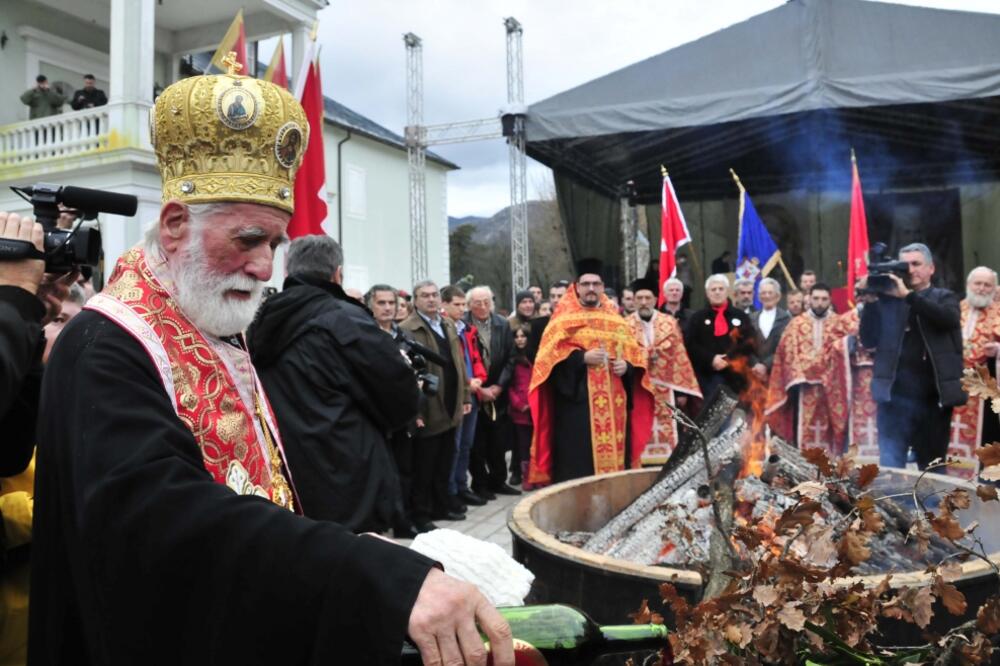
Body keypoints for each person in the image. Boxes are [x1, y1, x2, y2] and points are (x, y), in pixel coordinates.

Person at [29, 66, 511, 666]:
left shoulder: (214, 324)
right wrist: (363, 573)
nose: (263, 267)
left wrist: (337, 544)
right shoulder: (105, 342)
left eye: (274, 246)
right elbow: (161, 519)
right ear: (176, 224)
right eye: (247, 239)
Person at [248, 235, 419, 533]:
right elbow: (399, 392)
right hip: (349, 468)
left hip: (290, 463)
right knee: (354, 563)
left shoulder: (261, 317)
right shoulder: (346, 320)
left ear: (288, 271)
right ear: (336, 273)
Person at [527, 259, 651, 485]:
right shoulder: (561, 321)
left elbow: (635, 356)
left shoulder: (617, 321)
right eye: (586, 284)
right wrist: (581, 358)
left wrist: (628, 368)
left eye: (596, 284)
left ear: (602, 287)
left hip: (614, 407)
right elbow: (547, 363)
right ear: (576, 287)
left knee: (614, 470)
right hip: (576, 407)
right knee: (578, 463)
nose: (591, 288)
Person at [859, 242, 966, 470]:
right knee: (891, 466)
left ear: (931, 269)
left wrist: (908, 296)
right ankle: (894, 506)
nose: (911, 270)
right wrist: (870, 305)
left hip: (932, 398)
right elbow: (869, 340)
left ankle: (933, 507)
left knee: (932, 467)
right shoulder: (887, 301)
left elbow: (947, 319)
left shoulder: (944, 297)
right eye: (905, 265)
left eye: (916, 264)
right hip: (893, 397)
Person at [400, 280, 472, 530]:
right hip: (429, 404)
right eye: (424, 296)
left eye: (434, 295)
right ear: (415, 300)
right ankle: (421, 512)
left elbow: (459, 364)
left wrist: (465, 396)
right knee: (424, 465)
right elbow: (407, 373)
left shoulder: (447, 324)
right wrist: (416, 410)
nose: (431, 299)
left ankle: (441, 504)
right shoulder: (407, 328)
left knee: (445, 460)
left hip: (451, 402)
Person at [365, 283, 423, 537]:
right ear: (370, 305)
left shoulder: (403, 336)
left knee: (406, 471)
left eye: (392, 303)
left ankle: (402, 520)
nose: (388, 308)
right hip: (374, 418)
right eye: (382, 303)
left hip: (403, 417)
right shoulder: (365, 335)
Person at [764, 284, 847, 455]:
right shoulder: (796, 324)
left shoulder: (839, 323)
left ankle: (831, 469)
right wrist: (801, 373)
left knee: (832, 427)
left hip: (831, 388)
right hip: (802, 387)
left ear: (830, 300)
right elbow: (785, 352)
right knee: (803, 428)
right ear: (809, 299)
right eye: (815, 298)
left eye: (824, 299)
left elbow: (845, 352)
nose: (819, 303)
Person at [626, 278, 701, 465]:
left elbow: (680, 356)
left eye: (647, 298)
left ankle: (671, 465)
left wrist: (682, 391)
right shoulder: (624, 325)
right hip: (639, 387)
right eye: (639, 298)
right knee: (641, 427)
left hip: (667, 388)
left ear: (655, 299)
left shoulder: (668, 323)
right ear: (634, 301)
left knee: (670, 429)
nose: (643, 302)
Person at [945, 267, 1000, 479]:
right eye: (977, 283)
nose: (982, 288)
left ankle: (986, 479)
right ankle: (951, 476)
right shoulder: (956, 309)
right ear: (969, 286)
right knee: (951, 430)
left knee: (987, 436)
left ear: (994, 288)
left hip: (987, 389)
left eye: (987, 284)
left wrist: (997, 350)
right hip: (955, 384)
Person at [464, 286, 519, 493]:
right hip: (473, 390)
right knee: (476, 441)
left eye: (487, 301)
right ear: (469, 305)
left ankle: (498, 480)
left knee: (498, 440)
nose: (483, 306)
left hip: (497, 390)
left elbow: (511, 358)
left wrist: (498, 386)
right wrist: (479, 390)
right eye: (477, 302)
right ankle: (480, 483)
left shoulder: (502, 324)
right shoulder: (462, 325)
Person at [441, 285, 488, 509]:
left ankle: (461, 485)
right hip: (457, 394)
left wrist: (478, 378)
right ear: (445, 304)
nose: (461, 309)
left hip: (472, 393)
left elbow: (475, 357)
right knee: (455, 446)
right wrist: (465, 384)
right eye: (456, 305)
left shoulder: (467, 329)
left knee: (467, 444)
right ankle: (449, 489)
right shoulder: (443, 328)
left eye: (463, 305)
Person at [684, 274, 759, 398]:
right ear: (707, 293)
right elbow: (691, 345)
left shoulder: (740, 316)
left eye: (721, 289)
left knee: (737, 415)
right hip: (707, 376)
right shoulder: (697, 318)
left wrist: (728, 358)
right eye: (713, 290)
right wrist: (711, 359)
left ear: (727, 291)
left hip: (737, 376)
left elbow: (749, 342)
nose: (717, 292)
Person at [507, 325, 534, 488]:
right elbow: (509, 386)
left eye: (523, 336)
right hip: (520, 411)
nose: (520, 339)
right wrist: (519, 404)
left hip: (535, 408)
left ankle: (536, 474)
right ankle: (526, 476)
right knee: (522, 445)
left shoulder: (534, 357)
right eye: (516, 336)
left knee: (535, 443)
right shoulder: (511, 359)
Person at [751, 277, 792, 381]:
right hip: (754, 374)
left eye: (770, 293)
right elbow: (746, 345)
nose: (767, 296)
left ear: (778, 296)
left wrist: (765, 365)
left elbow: (787, 347)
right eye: (763, 293)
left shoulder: (786, 319)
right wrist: (756, 364)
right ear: (759, 297)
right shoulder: (751, 318)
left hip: (779, 374)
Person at [527, 279, 569, 360]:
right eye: (552, 296)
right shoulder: (538, 324)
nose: (555, 300)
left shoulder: (577, 321)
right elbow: (531, 352)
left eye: (560, 296)